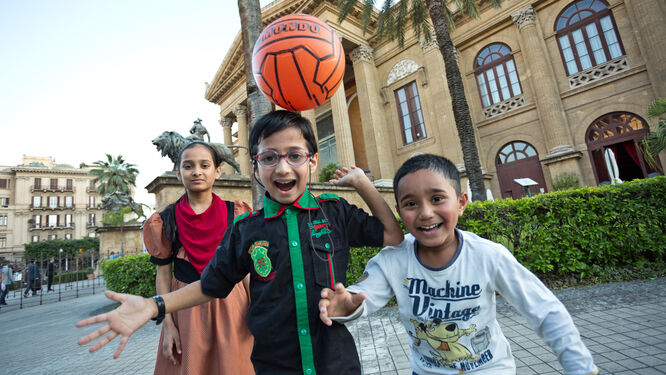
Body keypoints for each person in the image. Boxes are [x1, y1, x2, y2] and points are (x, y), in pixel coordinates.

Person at [76, 110, 403, 374]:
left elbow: (392, 235)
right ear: (256, 167)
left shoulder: (335, 212)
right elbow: (210, 285)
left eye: (295, 156)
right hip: (275, 366)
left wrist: (362, 182)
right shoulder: (245, 229)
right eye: (270, 158)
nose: (283, 167)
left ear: (312, 161)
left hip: (337, 364)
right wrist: (154, 305)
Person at [319, 154, 598, 375]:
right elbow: (363, 296)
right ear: (399, 212)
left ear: (461, 202)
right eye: (411, 204)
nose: (426, 213)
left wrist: (580, 367)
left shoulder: (488, 255)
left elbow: (545, 310)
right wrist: (347, 305)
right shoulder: (393, 260)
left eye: (437, 199)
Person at [142, 140, 254, 375]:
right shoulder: (165, 221)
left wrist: (258, 311)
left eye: (204, 165)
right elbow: (163, 276)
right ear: (178, 173)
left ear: (217, 172)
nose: (196, 172)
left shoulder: (237, 213)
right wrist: (169, 325)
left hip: (234, 305)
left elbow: (246, 272)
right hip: (186, 311)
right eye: (188, 166)